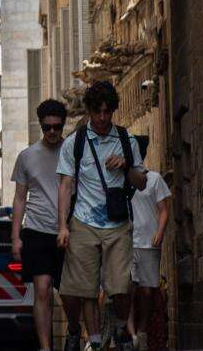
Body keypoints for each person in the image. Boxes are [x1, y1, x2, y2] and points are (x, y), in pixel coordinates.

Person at [56, 81, 147, 351]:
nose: (103, 118)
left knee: (120, 287)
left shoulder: (125, 140)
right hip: (83, 222)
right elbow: (65, 185)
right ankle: (94, 340)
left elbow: (141, 182)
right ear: (90, 111)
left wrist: (127, 164)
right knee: (82, 290)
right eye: (98, 112)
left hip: (118, 225)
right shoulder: (76, 142)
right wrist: (63, 226)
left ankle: (120, 327)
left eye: (108, 112)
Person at [11, 99, 81, 351]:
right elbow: (20, 198)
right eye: (47, 127)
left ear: (63, 125)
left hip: (70, 230)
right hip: (37, 230)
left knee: (70, 292)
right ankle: (45, 347)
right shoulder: (26, 156)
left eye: (57, 127)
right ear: (41, 125)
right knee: (42, 289)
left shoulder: (73, 152)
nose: (52, 132)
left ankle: (74, 328)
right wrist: (16, 237)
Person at [126, 168, 170, 350]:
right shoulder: (119, 179)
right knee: (127, 289)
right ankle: (131, 335)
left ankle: (142, 332)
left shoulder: (154, 179)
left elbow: (164, 210)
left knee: (147, 291)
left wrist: (160, 233)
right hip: (126, 242)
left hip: (148, 243)